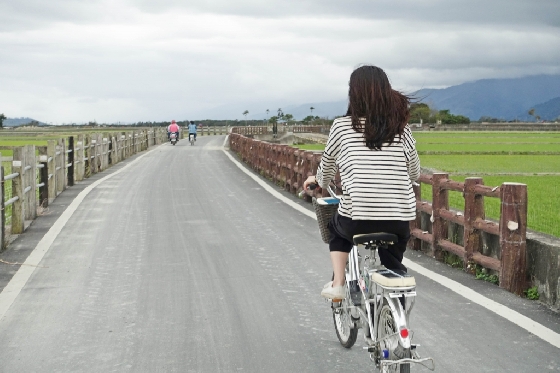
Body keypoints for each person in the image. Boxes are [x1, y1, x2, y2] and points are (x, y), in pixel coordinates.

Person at [303, 65, 420, 300]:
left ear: (353, 94)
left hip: (356, 220)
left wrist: (318, 182)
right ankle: (395, 311)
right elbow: (414, 172)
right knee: (393, 265)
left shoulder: (342, 126)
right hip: (398, 221)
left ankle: (338, 283)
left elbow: (326, 169)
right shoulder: (401, 128)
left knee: (335, 229)